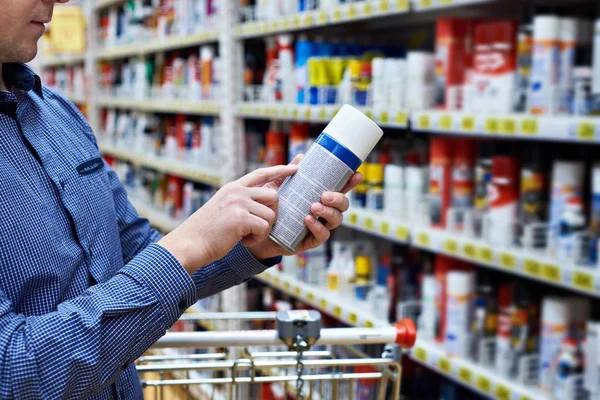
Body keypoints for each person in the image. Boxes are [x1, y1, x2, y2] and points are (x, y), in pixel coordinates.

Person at [0, 0, 362, 398]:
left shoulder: (57, 114)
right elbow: (15, 369)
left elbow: (138, 256)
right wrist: (188, 243)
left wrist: (256, 240)